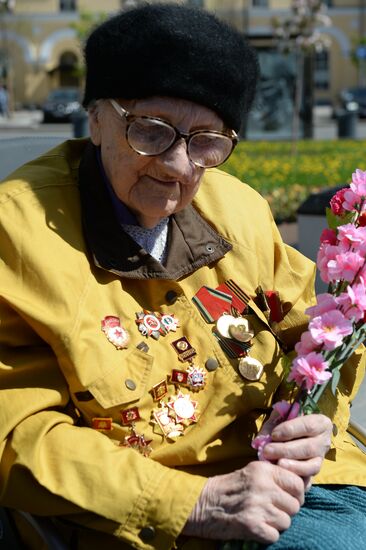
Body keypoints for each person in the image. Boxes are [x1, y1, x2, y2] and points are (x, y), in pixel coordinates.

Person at [0, 4, 365, 549]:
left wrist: (318, 422)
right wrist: (194, 503)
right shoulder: (18, 232)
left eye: (206, 141)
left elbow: (320, 332)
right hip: (168, 519)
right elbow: (19, 435)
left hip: (310, 482)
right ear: (96, 117)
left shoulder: (237, 207)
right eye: (150, 130)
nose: (176, 164)